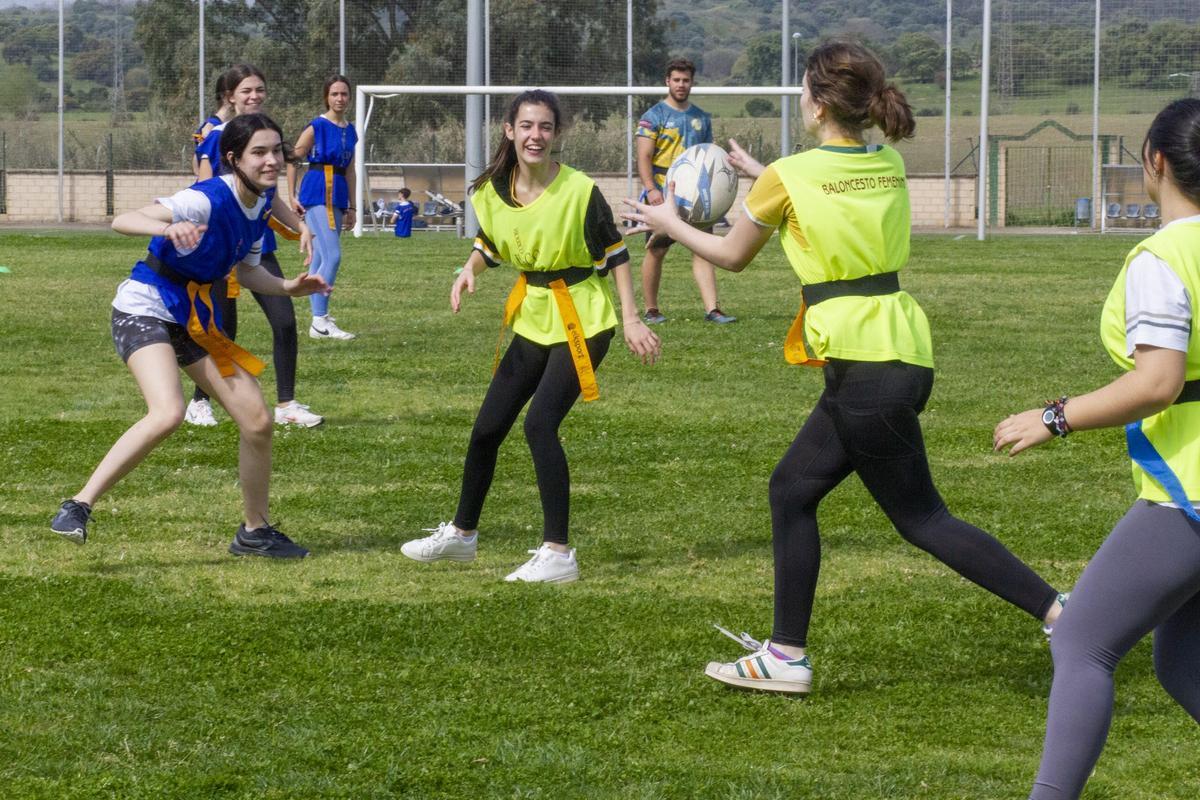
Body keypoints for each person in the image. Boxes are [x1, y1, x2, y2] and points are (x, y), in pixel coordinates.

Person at [623, 41, 1065, 694]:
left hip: (866, 369)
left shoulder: (789, 178)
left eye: (804, 89)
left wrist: (664, 218)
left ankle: (1063, 614)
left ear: (820, 100)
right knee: (792, 489)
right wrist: (758, 168)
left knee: (923, 519)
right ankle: (785, 654)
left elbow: (731, 253)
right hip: (897, 353)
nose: (799, 98)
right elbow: (832, 182)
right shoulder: (885, 159)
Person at [995, 98, 1200, 800]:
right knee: (1182, 662)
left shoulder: (1162, 255)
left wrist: (1056, 416)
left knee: (1082, 640)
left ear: (1155, 162)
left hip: (1190, 490)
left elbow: (1158, 381)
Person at [399, 90, 661, 583]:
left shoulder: (580, 191)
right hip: (532, 316)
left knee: (539, 424)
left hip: (582, 317)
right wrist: (469, 268)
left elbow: (616, 255)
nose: (535, 135)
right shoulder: (491, 191)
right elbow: (492, 243)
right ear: (509, 130)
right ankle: (462, 535)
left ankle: (558, 554)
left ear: (556, 134)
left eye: (544, 127)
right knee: (487, 428)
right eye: (526, 126)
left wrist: (630, 319)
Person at [49, 113, 327, 558]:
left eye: (276, 150)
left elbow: (247, 269)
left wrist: (289, 288)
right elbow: (123, 219)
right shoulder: (204, 199)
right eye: (259, 152)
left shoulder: (259, 203)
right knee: (168, 412)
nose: (272, 160)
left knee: (256, 419)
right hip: (143, 306)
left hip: (191, 319)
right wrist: (167, 227)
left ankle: (254, 532)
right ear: (233, 159)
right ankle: (78, 505)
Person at [192, 63, 324, 428]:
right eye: (246, 91)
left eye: (259, 90)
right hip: (221, 247)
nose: (254, 96)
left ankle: (287, 405)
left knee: (284, 320)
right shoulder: (217, 135)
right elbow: (204, 188)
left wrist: (301, 225)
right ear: (229, 96)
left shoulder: (264, 133)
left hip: (257, 243)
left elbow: (270, 194)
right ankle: (200, 401)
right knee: (222, 328)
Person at [636, 57, 735, 325]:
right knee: (656, 250)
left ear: (692, 83)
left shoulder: (701, 118)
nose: (681, 85)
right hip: (663, 196)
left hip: (698, 199)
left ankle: (713, 309)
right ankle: (651, 309)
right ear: (667, 81)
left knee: (703, 250)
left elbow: (708, 157)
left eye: (686, 80)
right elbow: (644, 157)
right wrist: (650, 189)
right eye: (676, 80)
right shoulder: (653, 117)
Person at [288, 74, 359, 341]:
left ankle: (319, 319)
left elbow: (350, 169)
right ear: (326, 97)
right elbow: (293, 159)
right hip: (319, 190)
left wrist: (352, 206)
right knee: (332, 256)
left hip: (338, 191)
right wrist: (292, 194)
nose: (340, 98)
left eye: (344, 94)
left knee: (320, 257)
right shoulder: (316, 126)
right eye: (335, 94)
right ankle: (320, 321)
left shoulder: (350, 130)